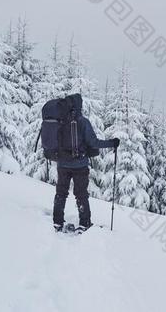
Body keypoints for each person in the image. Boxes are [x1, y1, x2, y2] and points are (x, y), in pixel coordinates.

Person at [52, 94, 119, 232]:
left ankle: (57, 222)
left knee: (61, 193)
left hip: (62, 164)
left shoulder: (60, 120)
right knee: (81, 194)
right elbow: (93, 142)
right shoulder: (83, 122)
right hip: (79, 165)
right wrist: (112, 143)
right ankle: (84, 223)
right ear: (78, 106)